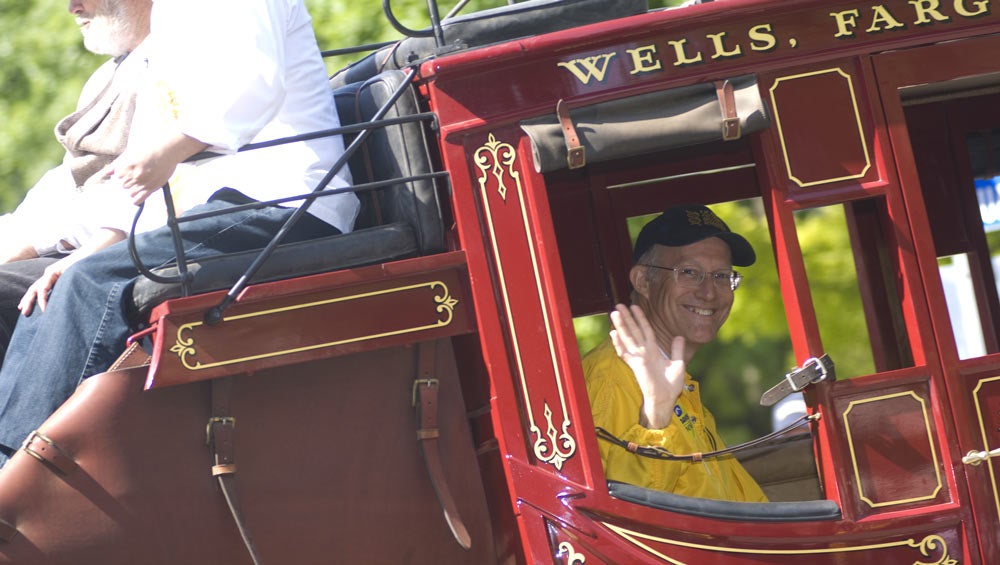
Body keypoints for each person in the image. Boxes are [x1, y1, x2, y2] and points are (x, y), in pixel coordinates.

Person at [0, 0, 358, 465]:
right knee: (62, 284)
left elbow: (253, 83)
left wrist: (171, 148)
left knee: (90, 288)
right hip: (214, 211)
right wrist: (85, 252)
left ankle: (17, 470)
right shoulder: (170, 22)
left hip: (289, 203)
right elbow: (135, 163)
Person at [0, 0, 156, 366]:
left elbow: (142, 191)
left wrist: (30, 242)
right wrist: (12, 230)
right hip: (75, 239)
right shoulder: (110, 73)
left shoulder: (175, 66)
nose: (72, 7)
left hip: (123, 247)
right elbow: (69, 177)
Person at [583, 204, 767, 502]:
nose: (709, 293)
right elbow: (624, 520)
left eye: (721, 276)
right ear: (644, 281)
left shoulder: (682, 383)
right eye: (690, 272)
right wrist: (655, 415)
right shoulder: (613, 378)